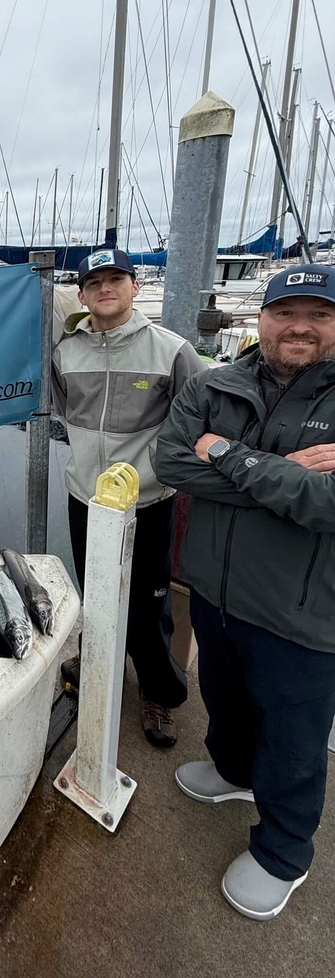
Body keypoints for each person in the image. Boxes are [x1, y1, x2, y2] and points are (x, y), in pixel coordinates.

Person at [155, 264, 335, 920]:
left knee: (294, 737)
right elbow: (171, 461)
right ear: (261, 318)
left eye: (319, 314)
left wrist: (230, 456)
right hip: (215, 588)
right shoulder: (215, 383)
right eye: (287, 312)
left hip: (303, 609)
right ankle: (233, 772)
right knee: (223, 697)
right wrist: (283, 476)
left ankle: (285, 852)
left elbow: (327, 505)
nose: (300, 327)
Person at [52, 248, 204, 746]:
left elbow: (198, 418)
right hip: (86, 500)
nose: (104, 288)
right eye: (94, 282)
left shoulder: (172, 350)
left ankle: (159, 691)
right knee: (94, 594)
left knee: (147, 607)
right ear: (82, 294)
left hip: (149, 503)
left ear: (135, 286)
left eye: (115, 278)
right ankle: (102, 662)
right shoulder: (65, 352)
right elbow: (62, 407)